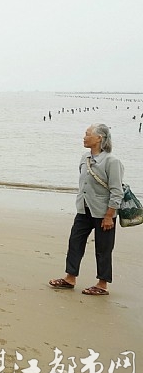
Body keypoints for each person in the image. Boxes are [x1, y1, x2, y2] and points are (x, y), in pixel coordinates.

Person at [49, 124, 124, 296]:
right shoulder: (85, 158)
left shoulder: (112, 162)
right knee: (75, 242)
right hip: (84, 209)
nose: (84, 137)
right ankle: (70, 278)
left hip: (104, 213)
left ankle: (102, 284)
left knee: (103, 249)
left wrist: (109, 216)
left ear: (99, 138)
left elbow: (117, 191)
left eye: (87, 134)